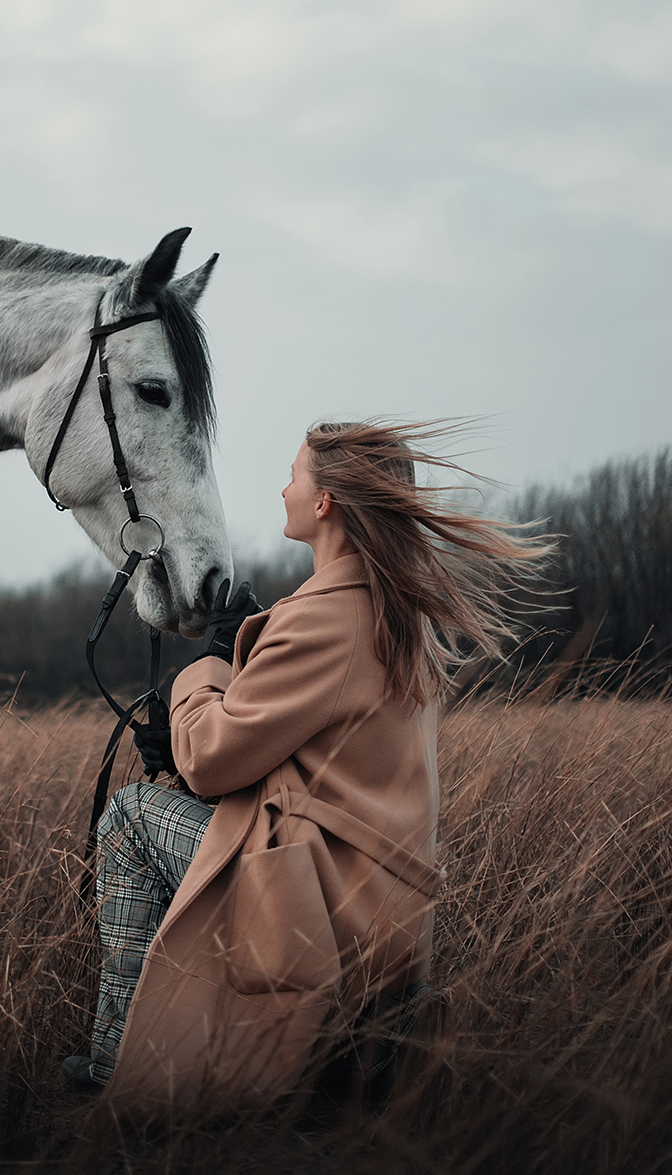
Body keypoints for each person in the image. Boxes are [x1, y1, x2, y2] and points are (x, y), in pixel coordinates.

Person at [64, 419, 549, 1119]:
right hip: (372, 901)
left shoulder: (328, 619)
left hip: (322, 904)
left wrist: (209, 667)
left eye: (295, 475)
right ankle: (227, 1037)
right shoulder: (389, 609)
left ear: (324, 503)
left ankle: (118, 1065)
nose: (284, 488)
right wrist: (232, 685)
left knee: (133, 819)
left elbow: (206, 765)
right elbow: (313, 757)